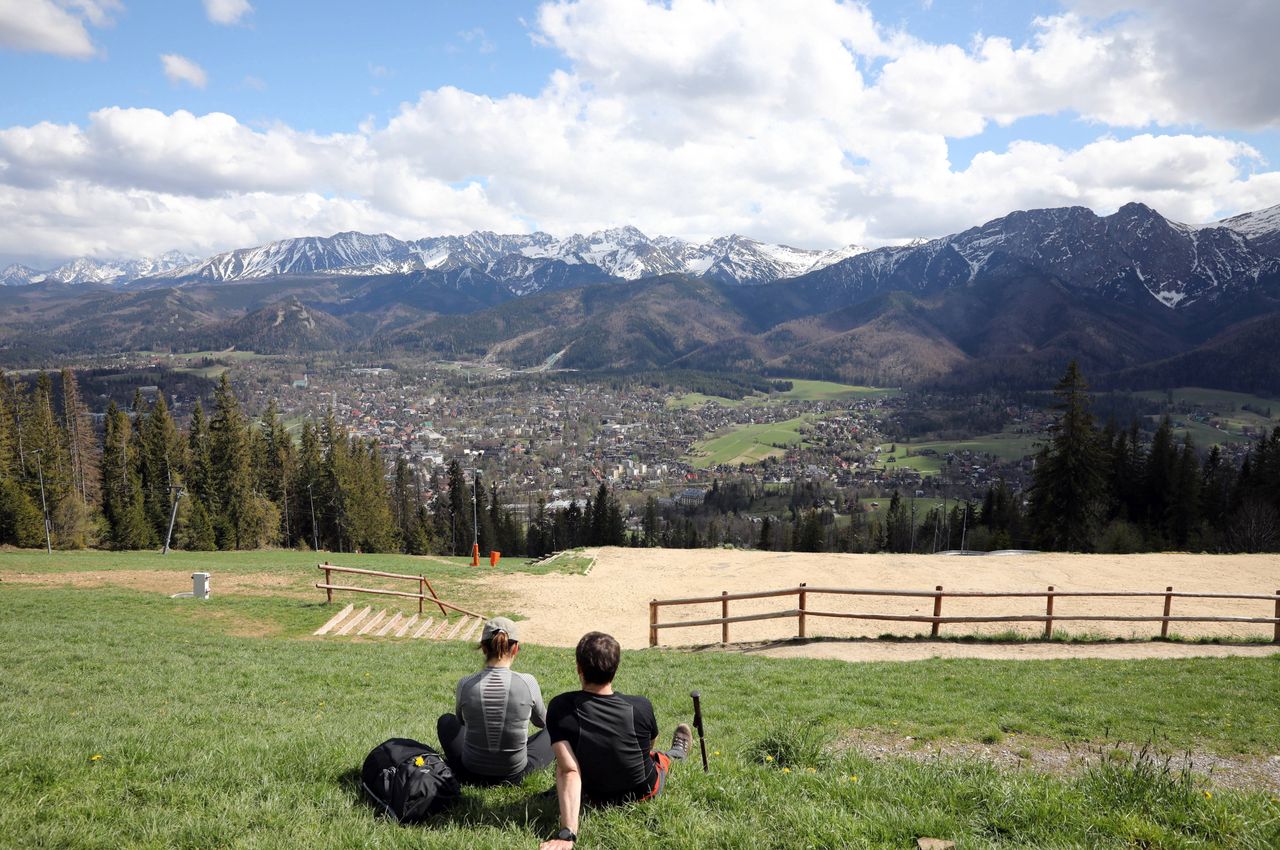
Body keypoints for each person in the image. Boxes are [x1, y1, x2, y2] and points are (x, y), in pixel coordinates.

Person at [538, 631, 691, 849]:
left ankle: (674, 754)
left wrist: (567, 834)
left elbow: (568, 770)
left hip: (592, 794)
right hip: (642, 791)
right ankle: (677, 753)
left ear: (579, 668)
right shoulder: (640, 706)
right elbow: (647, 745)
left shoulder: (561, 708)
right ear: (615, 669)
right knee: (657, 757)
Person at [436, 616, 553, 785]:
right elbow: (543, 722)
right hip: (516, 773)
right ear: (515, 649)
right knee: (555, 728)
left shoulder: (466, 683)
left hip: (470, 770)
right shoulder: (528, 682)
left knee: (446, 721)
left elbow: (461, 722)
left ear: (483, 648)